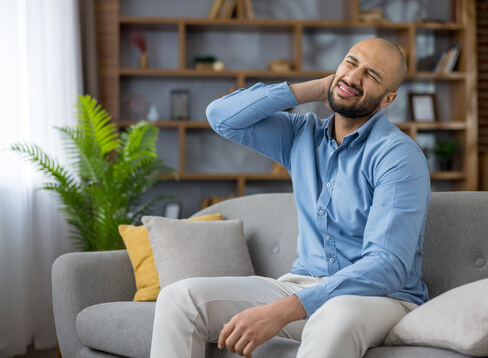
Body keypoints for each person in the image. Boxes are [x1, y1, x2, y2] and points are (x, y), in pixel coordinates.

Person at [150, 37, 431, 358]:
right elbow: (221, 116)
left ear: (387, 99)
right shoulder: (301, 135)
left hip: (381, 299)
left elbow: (387, 266)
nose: (354, 78)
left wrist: (285, 309)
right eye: (351, 63)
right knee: (179, 298)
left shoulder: (397, 156)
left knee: (334, 316)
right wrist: (315, 89)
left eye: (372, 76)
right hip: (302, 284)